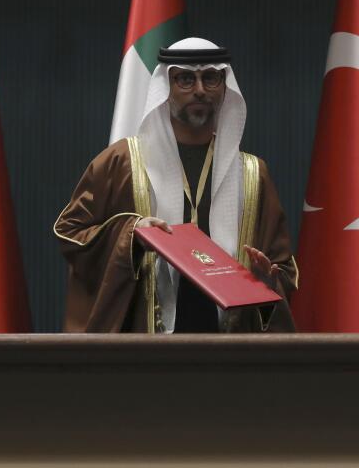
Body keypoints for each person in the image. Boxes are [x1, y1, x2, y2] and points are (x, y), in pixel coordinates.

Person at [55, 37, 297, 333]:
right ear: (164, 89)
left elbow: (283, 268)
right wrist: (132, 234)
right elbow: (70, 234)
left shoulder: (252, 173)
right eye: (185, 79)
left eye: (210, 78)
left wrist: (267, 282)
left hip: (229, 351)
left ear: (224, 88)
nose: (199, 90)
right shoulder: (123, 162)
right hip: (147, 348)